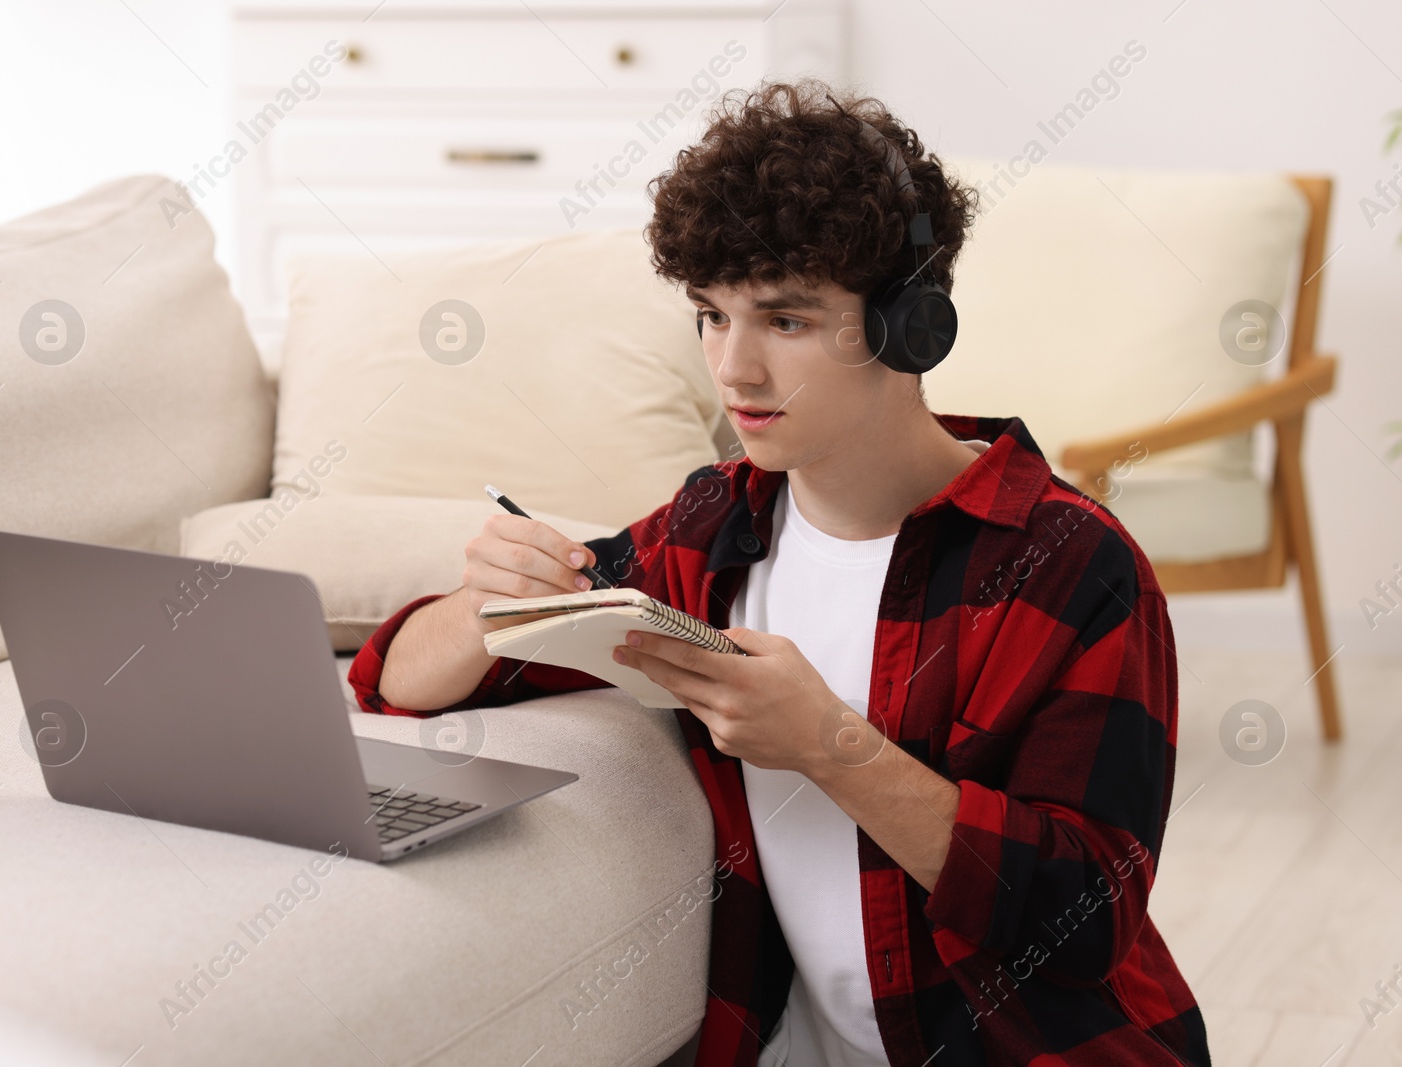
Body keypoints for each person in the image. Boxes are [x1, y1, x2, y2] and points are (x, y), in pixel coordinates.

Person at [348, 78, 1209, 1067]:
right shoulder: (712, 524)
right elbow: (389, 682)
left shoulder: (1072, 565)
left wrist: (830, 744)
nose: (733, 370)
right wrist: (477, 608)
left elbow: (1085, 915)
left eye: (785, 322)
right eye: (711, 316)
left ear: (910, 325)